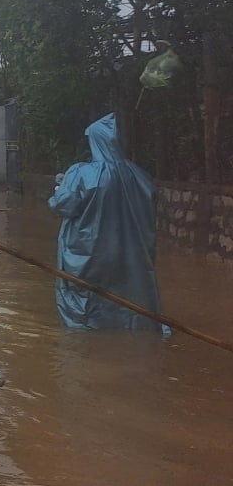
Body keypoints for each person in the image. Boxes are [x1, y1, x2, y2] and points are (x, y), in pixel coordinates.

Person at [47, 113, 167, 331]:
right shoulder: (138, 175)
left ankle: (88, 341)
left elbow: (62, 205)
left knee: (85, 296)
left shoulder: (81, 173)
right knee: (125, 294)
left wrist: (59, 188)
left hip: (89, 253)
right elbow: (150, 203)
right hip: (128, 253)